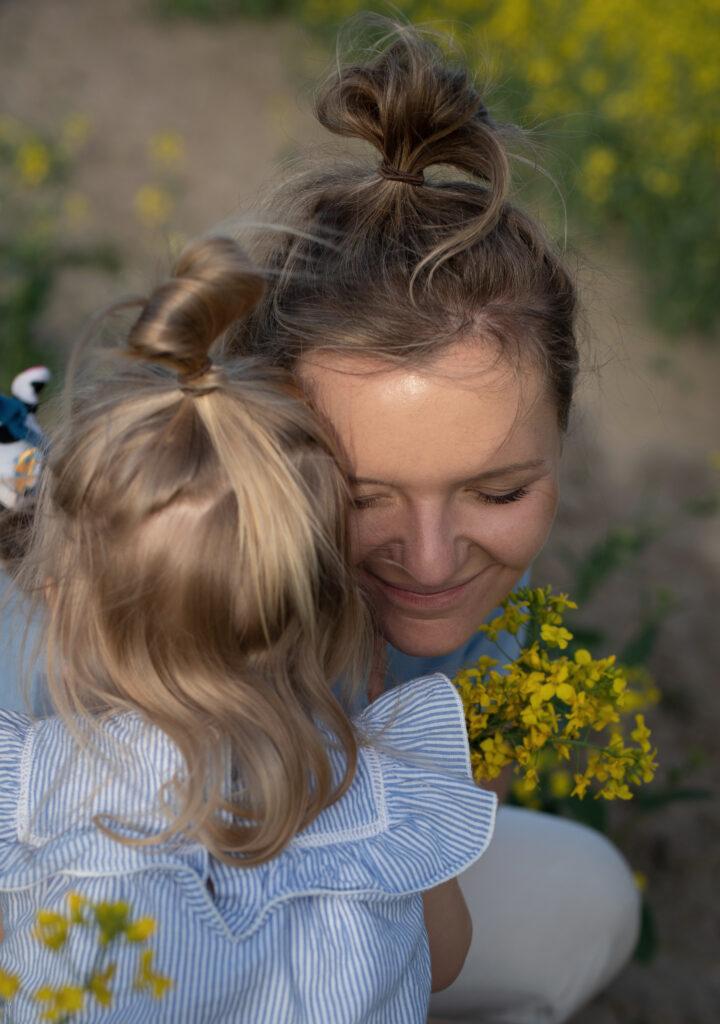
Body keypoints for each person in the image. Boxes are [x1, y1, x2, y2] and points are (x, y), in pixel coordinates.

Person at [225, 20, 641, 1023]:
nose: (430, 559)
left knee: (592, 901)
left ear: (559, 449)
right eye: (362, 496)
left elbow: (431, 927)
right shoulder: (195, 607)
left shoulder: (488, 631)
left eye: (497, 493)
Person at [0, 238, 497, 1022]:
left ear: (62, 604)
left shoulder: (34, 796)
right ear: (331, 608)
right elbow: (447, 959)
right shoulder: (382, 791)